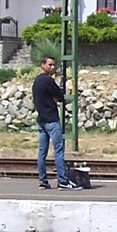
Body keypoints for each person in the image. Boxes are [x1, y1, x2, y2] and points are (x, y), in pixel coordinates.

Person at [31, 56, 78, 189]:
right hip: (51, 119)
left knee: (42, 152)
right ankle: (62, 181)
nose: (52, 67)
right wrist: (56, 97)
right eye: (50, 65)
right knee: (58, 151)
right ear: (42, 65)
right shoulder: (48, 80)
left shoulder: (37, 81)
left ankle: (43, 181)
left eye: (53, 65)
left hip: (41, 120)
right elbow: (61, 96)